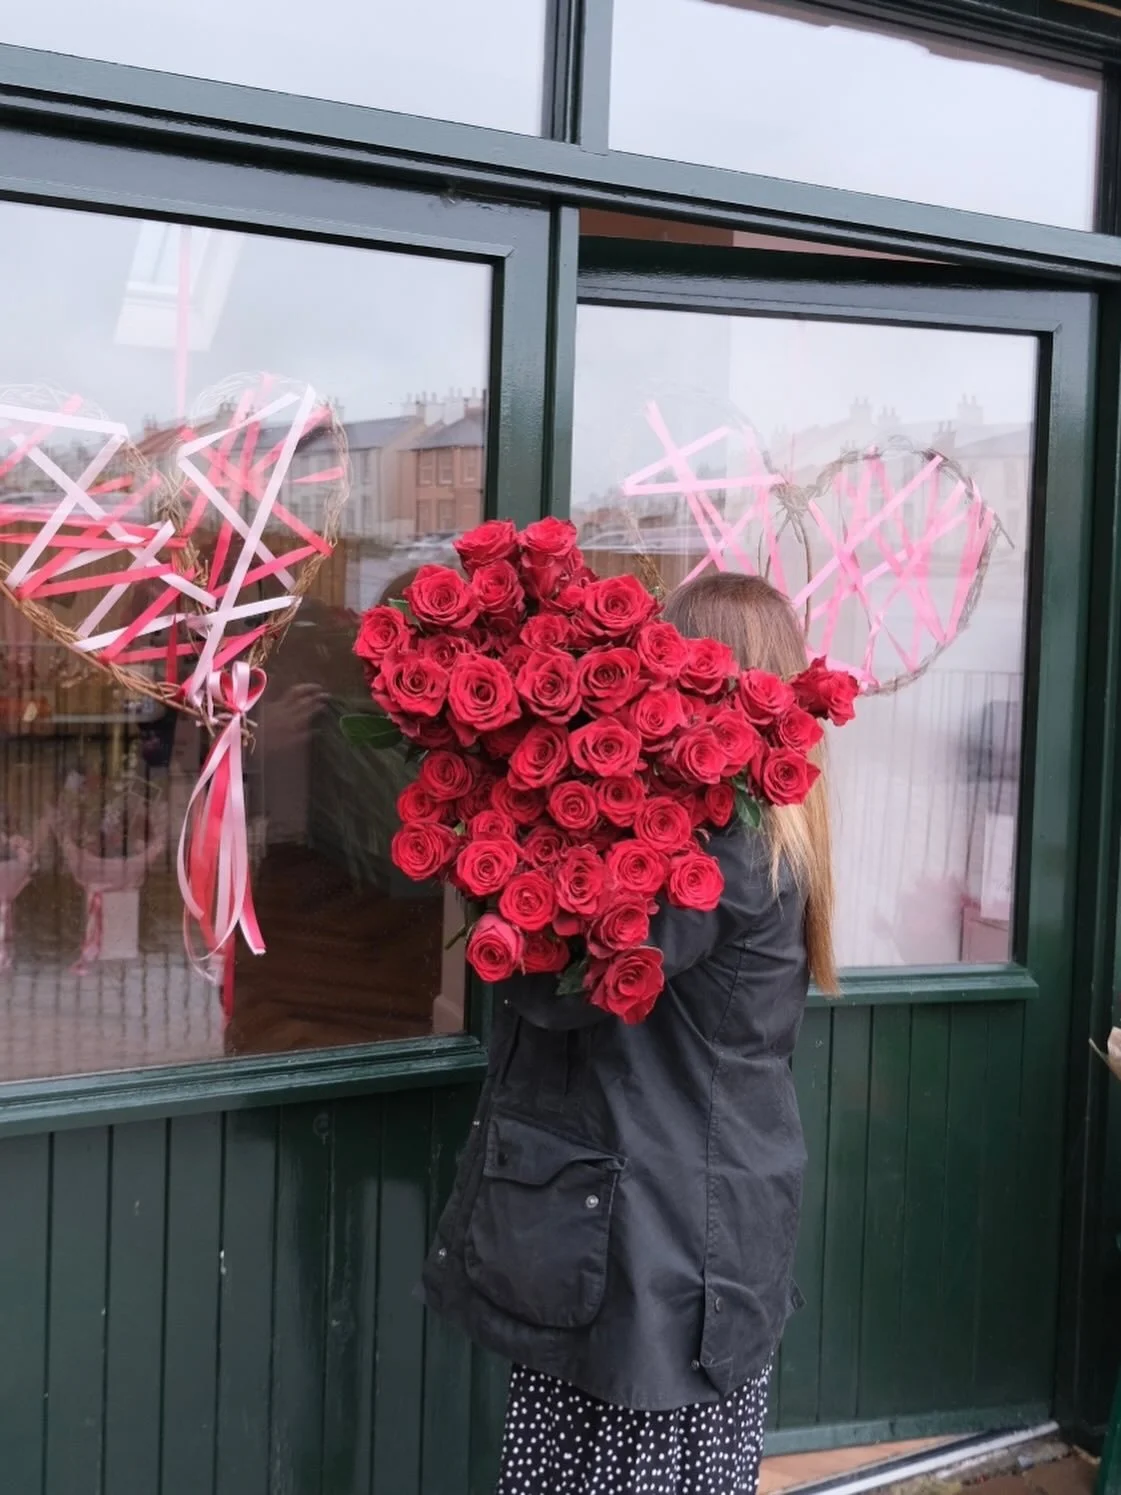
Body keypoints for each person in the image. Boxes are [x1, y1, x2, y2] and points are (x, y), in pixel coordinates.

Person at [421, 571, 837, 1495]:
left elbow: (567, 989)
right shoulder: (776, 839)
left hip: (651, 1241)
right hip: (703, 1225)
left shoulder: (718, 855)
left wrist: (493, 844)